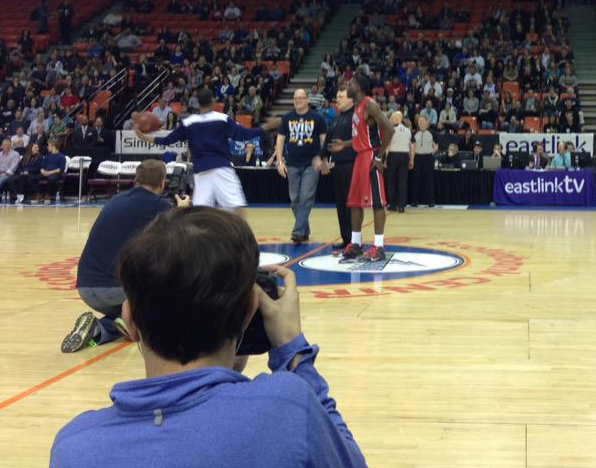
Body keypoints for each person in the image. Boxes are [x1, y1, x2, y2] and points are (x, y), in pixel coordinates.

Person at [51, 206, 367, 468]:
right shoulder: (288, 411)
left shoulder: (73, 448)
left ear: (129, 321)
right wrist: (292, 349)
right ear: (249, 312)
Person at [60, 160, 179, 352]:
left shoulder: (115, 200)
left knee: (130, 318)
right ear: (163, 182)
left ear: (135, 180)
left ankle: (98, 330)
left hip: (86, 286)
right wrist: (182, 209)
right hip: (117, 290)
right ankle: (130, 320)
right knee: (171, 298)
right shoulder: (159, 205)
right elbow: (183, 239)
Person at [134, 88, 278, 211]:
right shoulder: (222, 119)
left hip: (201, 171)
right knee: (235, 208)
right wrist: (266, 127)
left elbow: (166, 141)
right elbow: (244, 135)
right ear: (212, 101)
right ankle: (239, 235)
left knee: (201, 212)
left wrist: (144, 137)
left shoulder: (189, 122)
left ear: (198, 103)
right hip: (222, 167)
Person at [330, 74, 394, 263]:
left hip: (371, 156)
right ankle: (356, 244)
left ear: (357, 88)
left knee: (377, 203)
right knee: (354, 203)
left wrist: (380, 156)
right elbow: (361, 137)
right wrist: (345, 144)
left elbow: (389, 129)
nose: (347, 85)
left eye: (350, 83)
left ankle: (379, 247)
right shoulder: (357, 107)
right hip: (359, 156)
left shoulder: (369, 104)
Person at [275, 89, 327, 244]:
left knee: (305, 198)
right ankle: (304, 230)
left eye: (300, 98)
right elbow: (280, 140)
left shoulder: (318, 118)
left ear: (307, 100)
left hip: (311, 164)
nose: (297, 100)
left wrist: (323, 159)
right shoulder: (287, 118)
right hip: (292, 164)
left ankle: (297, 232)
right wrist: (279, 162)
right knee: (295, 200)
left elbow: (324, 140)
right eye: (295, 98)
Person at [319, 91, 355, 253]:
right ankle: (346, 239)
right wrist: (322, 158)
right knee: (341, 204)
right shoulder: (336, 119)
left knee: (351, 205)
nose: (337, 99)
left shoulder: (356, 117)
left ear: (351, 100)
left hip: (352, 164)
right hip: (338, 166)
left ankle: (355, 241)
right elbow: (327, 142)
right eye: (337, 97)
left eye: (341, 97)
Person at [384, 111, 411, 213]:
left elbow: (388, 145)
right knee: (402, 181)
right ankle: (402, 206)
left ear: (397, 119)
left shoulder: (390, 130)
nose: (390, 120)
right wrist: (411, 159)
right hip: (405, 155)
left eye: (391, 118)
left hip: (393, 155)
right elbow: (410, 145)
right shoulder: (408, 130)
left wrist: (385, 159)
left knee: (391, 180)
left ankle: (393, 205)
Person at [410, 114, 436, 208]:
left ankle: (431, 201)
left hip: (428, 158)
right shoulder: (414, 133)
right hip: (417, 158)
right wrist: (412, 160)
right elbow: (412, 147)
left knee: (430, 180)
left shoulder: (432, 133)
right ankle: (414, 200)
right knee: (415, 180)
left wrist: (431, 153)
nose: (420, 123)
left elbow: (436, 146)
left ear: (426, 122)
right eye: (419, 121)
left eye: (422, 121)